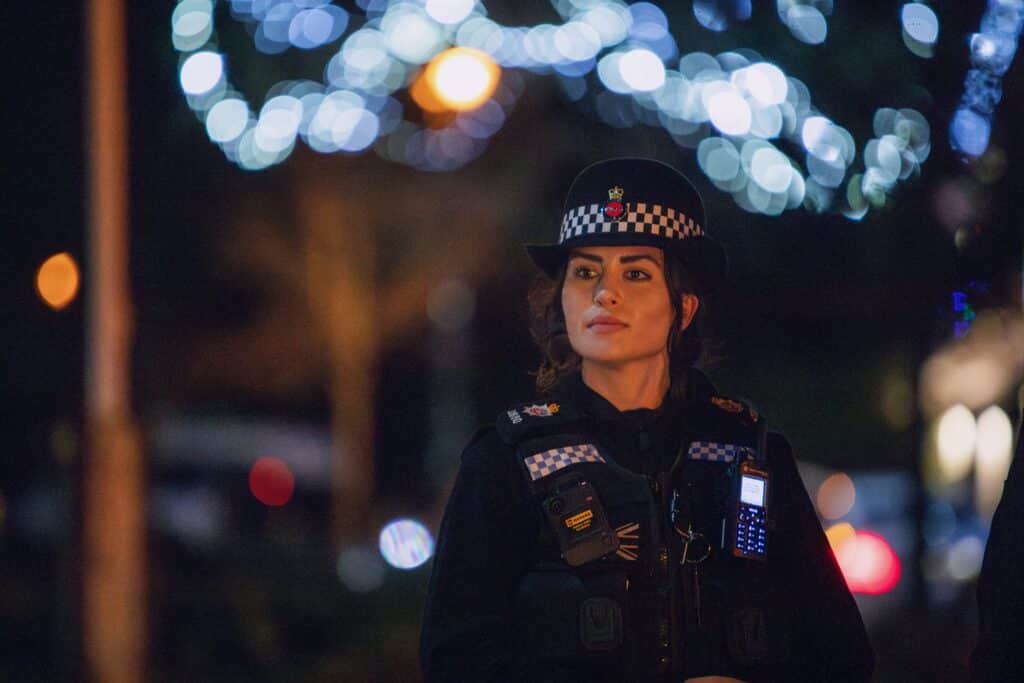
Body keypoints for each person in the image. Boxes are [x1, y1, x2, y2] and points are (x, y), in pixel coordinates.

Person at [420, 158, 874, 682]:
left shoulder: (752, 454)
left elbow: (842, 657)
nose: (603, 294)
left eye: (635, 273)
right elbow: (454, 662)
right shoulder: (507, 461)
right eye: (585, 272)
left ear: (683, 307)